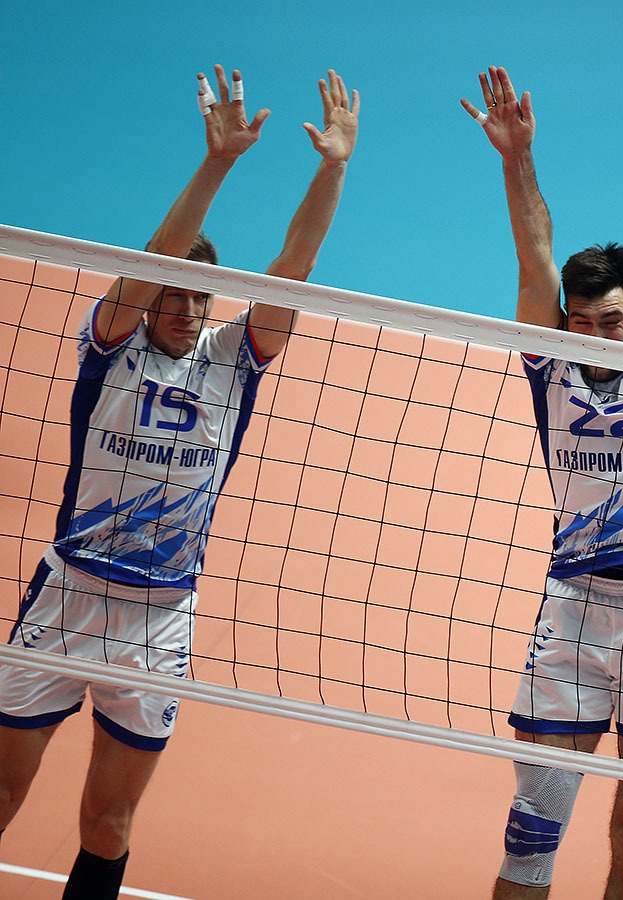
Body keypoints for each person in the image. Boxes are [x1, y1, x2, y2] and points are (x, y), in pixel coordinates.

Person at [0, 64, 359, 898]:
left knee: (108, 823)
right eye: (172, 295)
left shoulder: (233, 359)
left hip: (160, 620)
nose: (186, 308)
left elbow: (293, 268)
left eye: (200, 298)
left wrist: (334, 167)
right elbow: (159, 255)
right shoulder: (110, 348)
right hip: (68, 597)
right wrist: (219, 161)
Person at [461, 66, 623, 899]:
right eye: (582, 321)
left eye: (612, 321)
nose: (597, 335)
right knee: (533, 832)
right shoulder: (552, 363)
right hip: (573, 608)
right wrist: (517, 157)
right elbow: (534, 256)